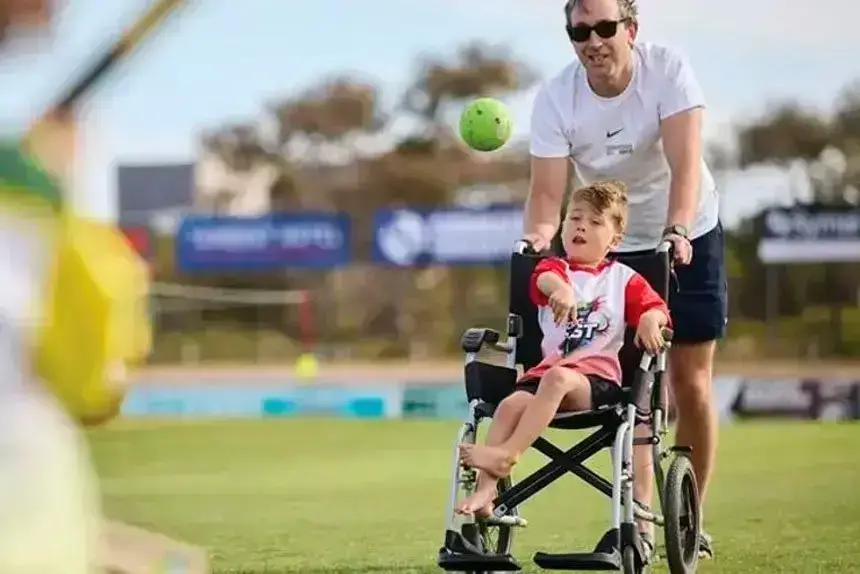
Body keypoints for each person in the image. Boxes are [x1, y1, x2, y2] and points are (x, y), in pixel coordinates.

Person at [521, 0, 725, 558]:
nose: (593, 40)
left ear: (631, 29)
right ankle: (635, 522)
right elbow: (545, 196)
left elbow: (685, 165)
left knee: (689, 382)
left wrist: (678, 229)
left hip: (685, 233)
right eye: (579, 31)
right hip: (609, 246)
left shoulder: (668, 71)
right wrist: (537, 241)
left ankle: (690, 520)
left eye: (605, 27)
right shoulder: (556, 97)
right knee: (634, 390)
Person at [457, 180, 670, 562]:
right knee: (508, 406)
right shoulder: (554, 269)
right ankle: (487, 493)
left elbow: (655, 308)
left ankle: (506, 456)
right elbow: (544, 280)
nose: (580, 226)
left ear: (615, 238)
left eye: (593, 221)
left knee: (557, 379)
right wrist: (562, 290)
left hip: (595, 382)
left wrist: (652, 321)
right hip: (545, 376)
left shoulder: (624, 280)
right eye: (573, 218)